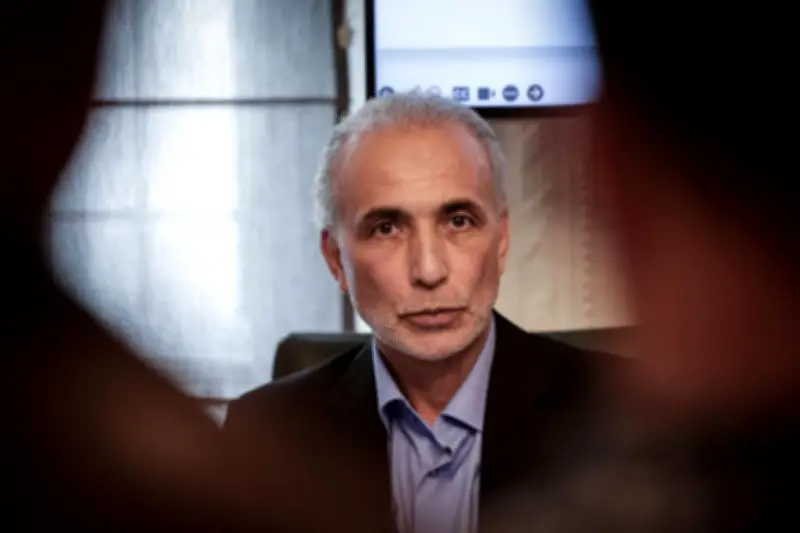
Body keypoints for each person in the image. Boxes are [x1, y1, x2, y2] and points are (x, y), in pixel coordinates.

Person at [225, 93, 621, 533]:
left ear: (502, 239)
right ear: (336, 259)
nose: (429, 271)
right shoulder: (265, 437)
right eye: (387, 229)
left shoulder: (626, 415)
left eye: (459, 221)